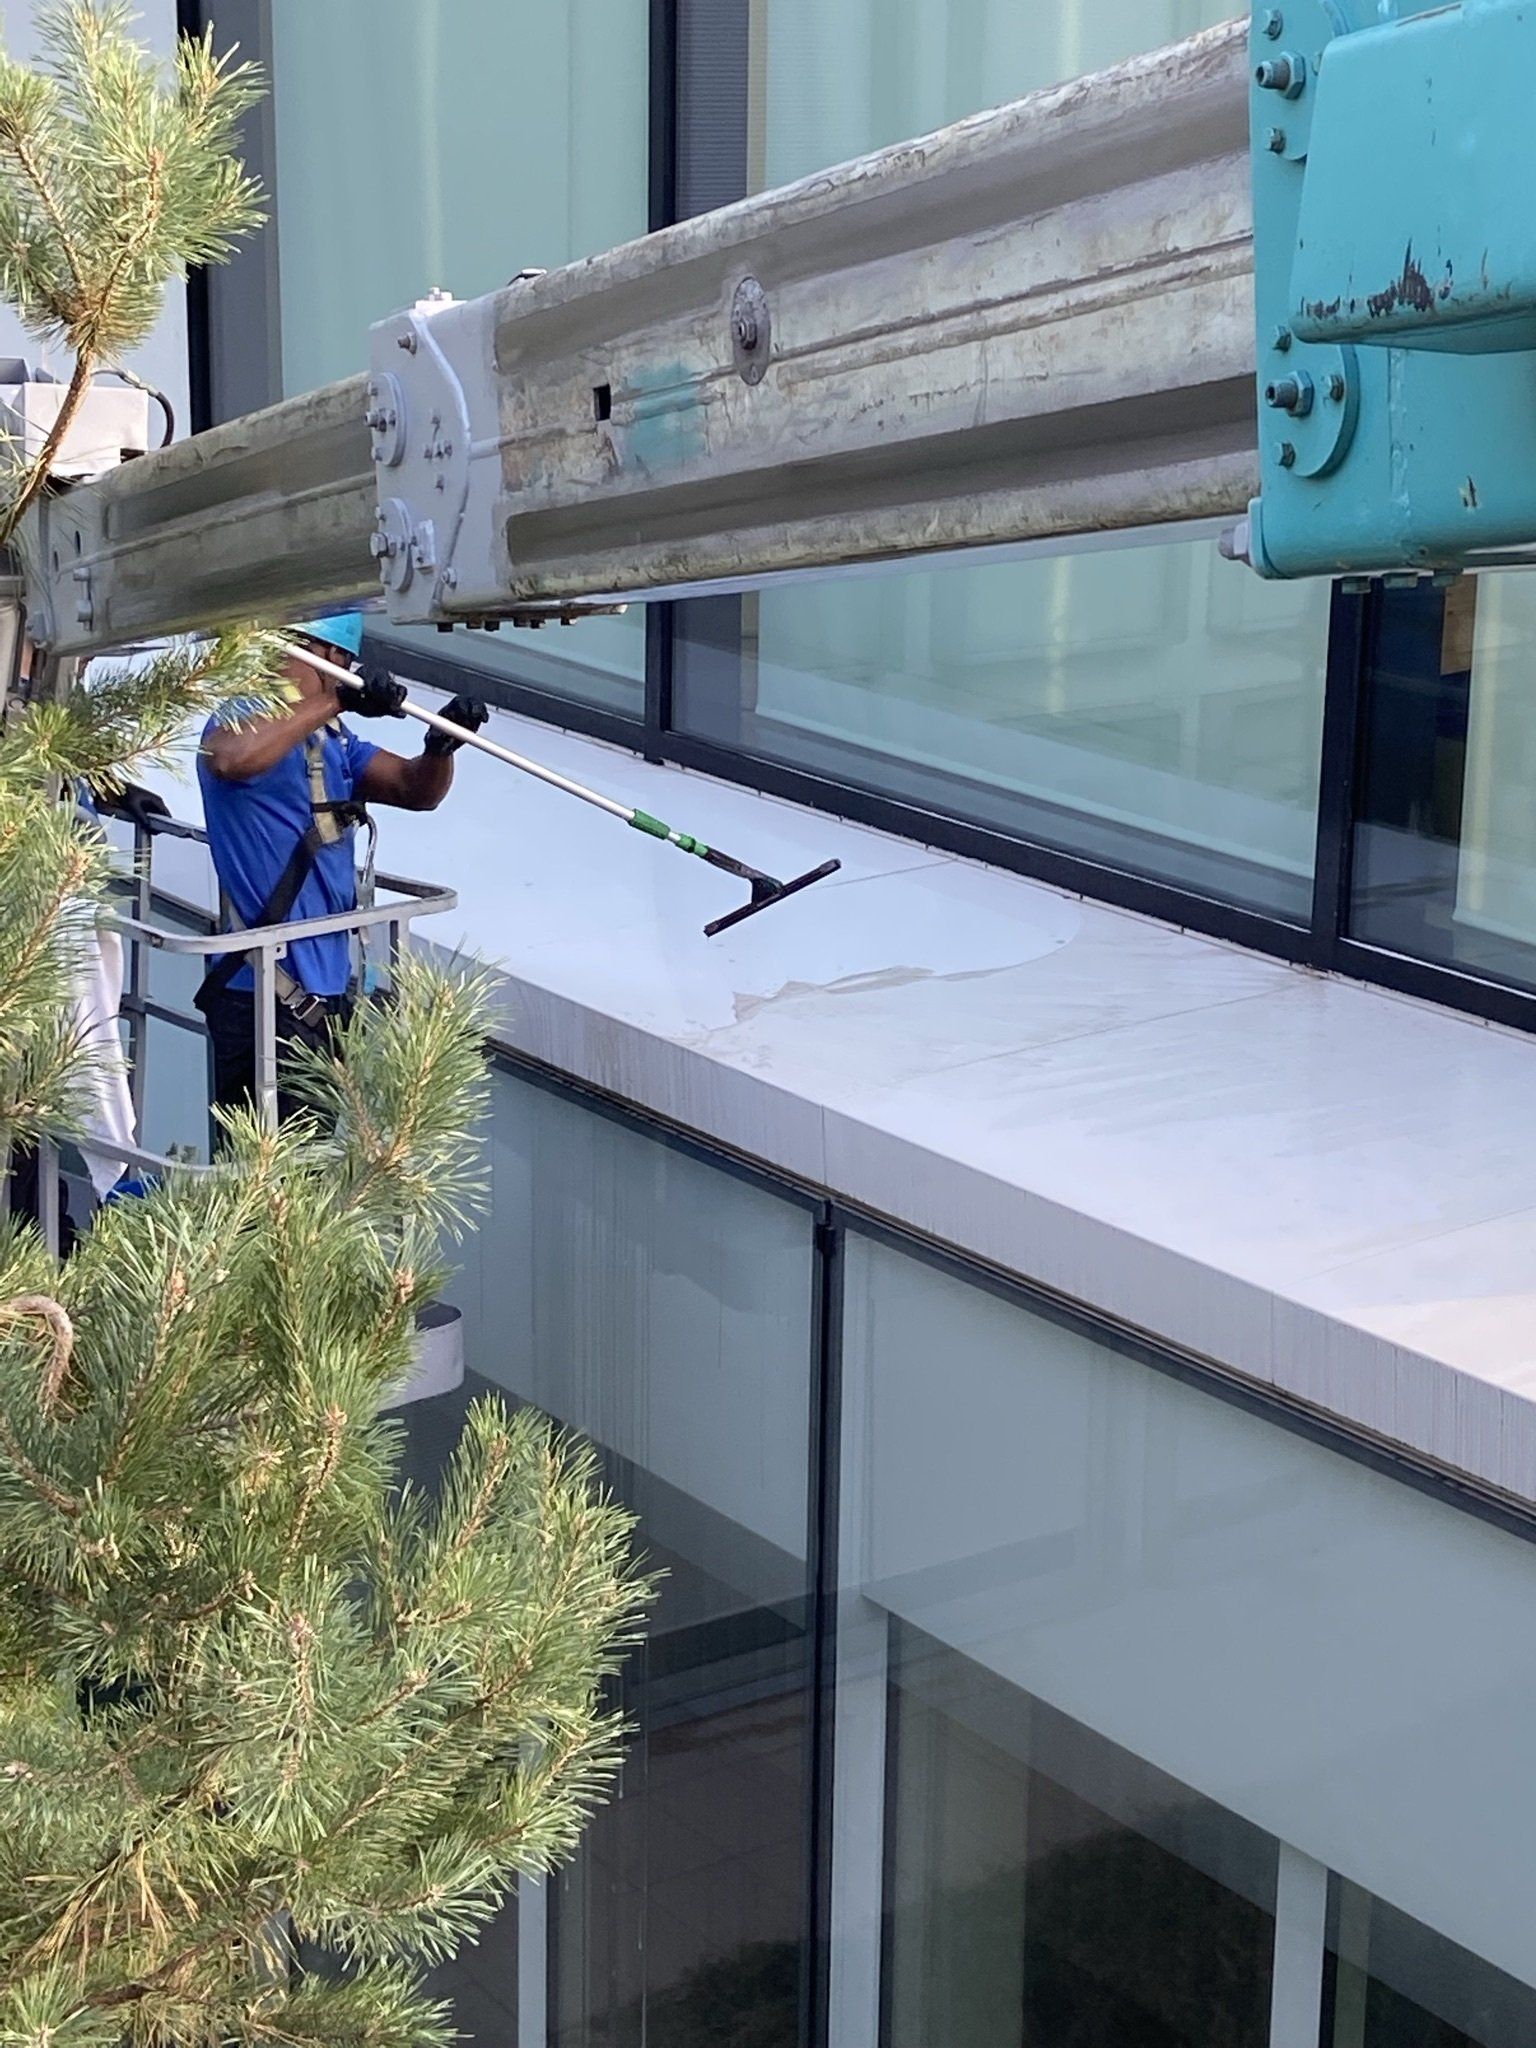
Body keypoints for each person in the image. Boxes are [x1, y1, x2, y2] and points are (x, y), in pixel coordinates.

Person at [195, 614, 485, 1129]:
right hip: (262, 993)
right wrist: (335, 700)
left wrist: (438, 748)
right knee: (266, 1178)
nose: (341, 671)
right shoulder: (240, 720)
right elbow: (229, 760)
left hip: (326, 995)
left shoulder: (333, 743)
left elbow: (413, 789)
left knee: (315, 1175)